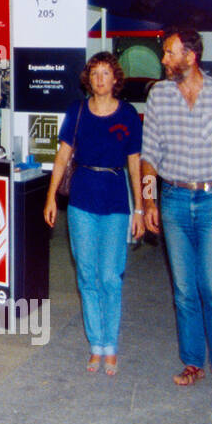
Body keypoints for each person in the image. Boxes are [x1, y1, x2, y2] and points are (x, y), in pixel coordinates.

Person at [141, 28, 212, 393]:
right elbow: (149, 157)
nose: (163, 60)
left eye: (168, 52)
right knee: (184, 288)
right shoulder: (158, 96)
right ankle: (193, 362)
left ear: (190, 56)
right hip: (174, 201)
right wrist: (149, 201)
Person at [44, 52, 145, 376]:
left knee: (110, 277)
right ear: (89, 79)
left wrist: (140, 208)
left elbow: (135, 164)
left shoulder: (128, 114)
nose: (100, 78)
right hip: (81, 202)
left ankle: (111, 346)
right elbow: (62, 158)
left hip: (116, 202)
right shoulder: (77, 112)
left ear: (115, 79)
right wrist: (50, 198)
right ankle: (96, 344)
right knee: (87, 275)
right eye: (95, 73)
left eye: (106, 73)